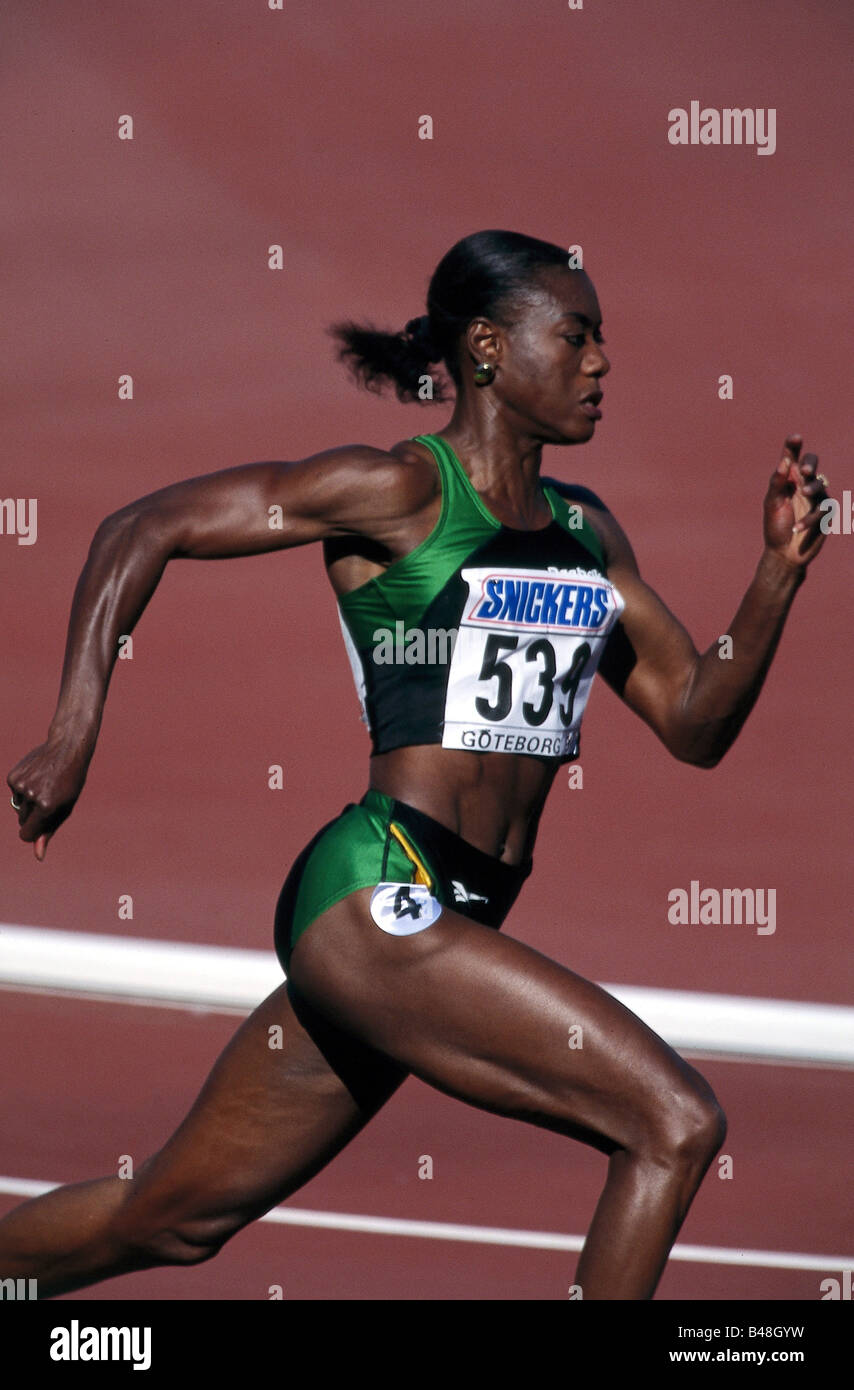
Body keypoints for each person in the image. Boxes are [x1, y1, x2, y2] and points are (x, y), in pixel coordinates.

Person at [3, 230, 830, 1300]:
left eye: (601, 340)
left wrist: (773, 577)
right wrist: (74, 732)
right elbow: (140, 526)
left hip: (454, 920)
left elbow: (692, 720)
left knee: (172, 1218)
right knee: (672, 1121)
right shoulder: (397, 492)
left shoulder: (588, 534)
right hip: (374, 891)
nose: (600, 363)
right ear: (485, 348)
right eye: (574, 336)